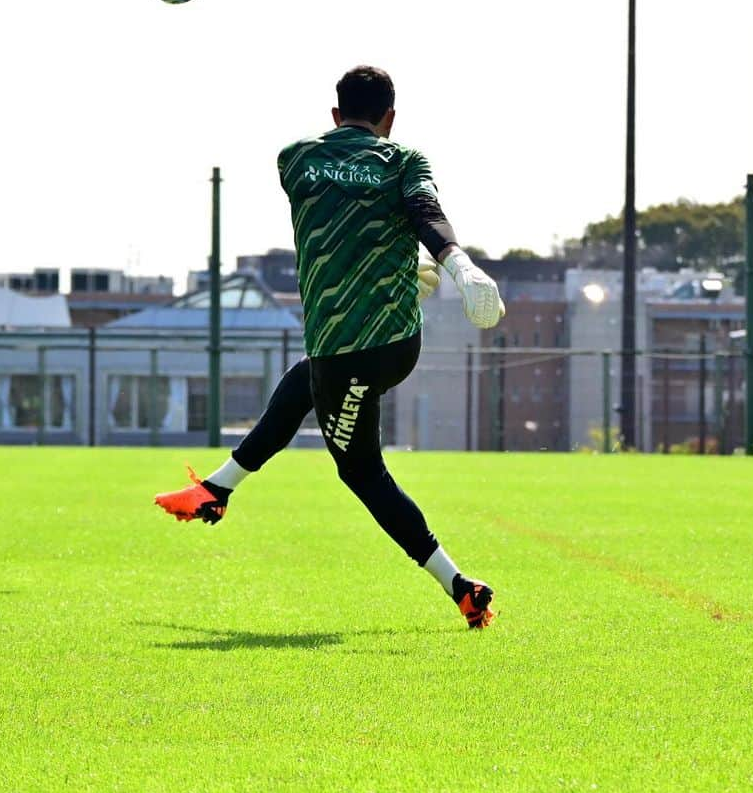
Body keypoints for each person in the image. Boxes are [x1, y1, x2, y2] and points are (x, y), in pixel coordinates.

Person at [154, 65, 505, 628]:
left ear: (335, 115)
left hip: (351, 352)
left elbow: (341, 206)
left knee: (362, 472)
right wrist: (455, 265)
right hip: (395, 342)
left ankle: (461, 586)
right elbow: (422, 211)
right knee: (302, 384)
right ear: (389, 119)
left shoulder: (294, 159)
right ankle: (217, 488)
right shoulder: (405, 161)